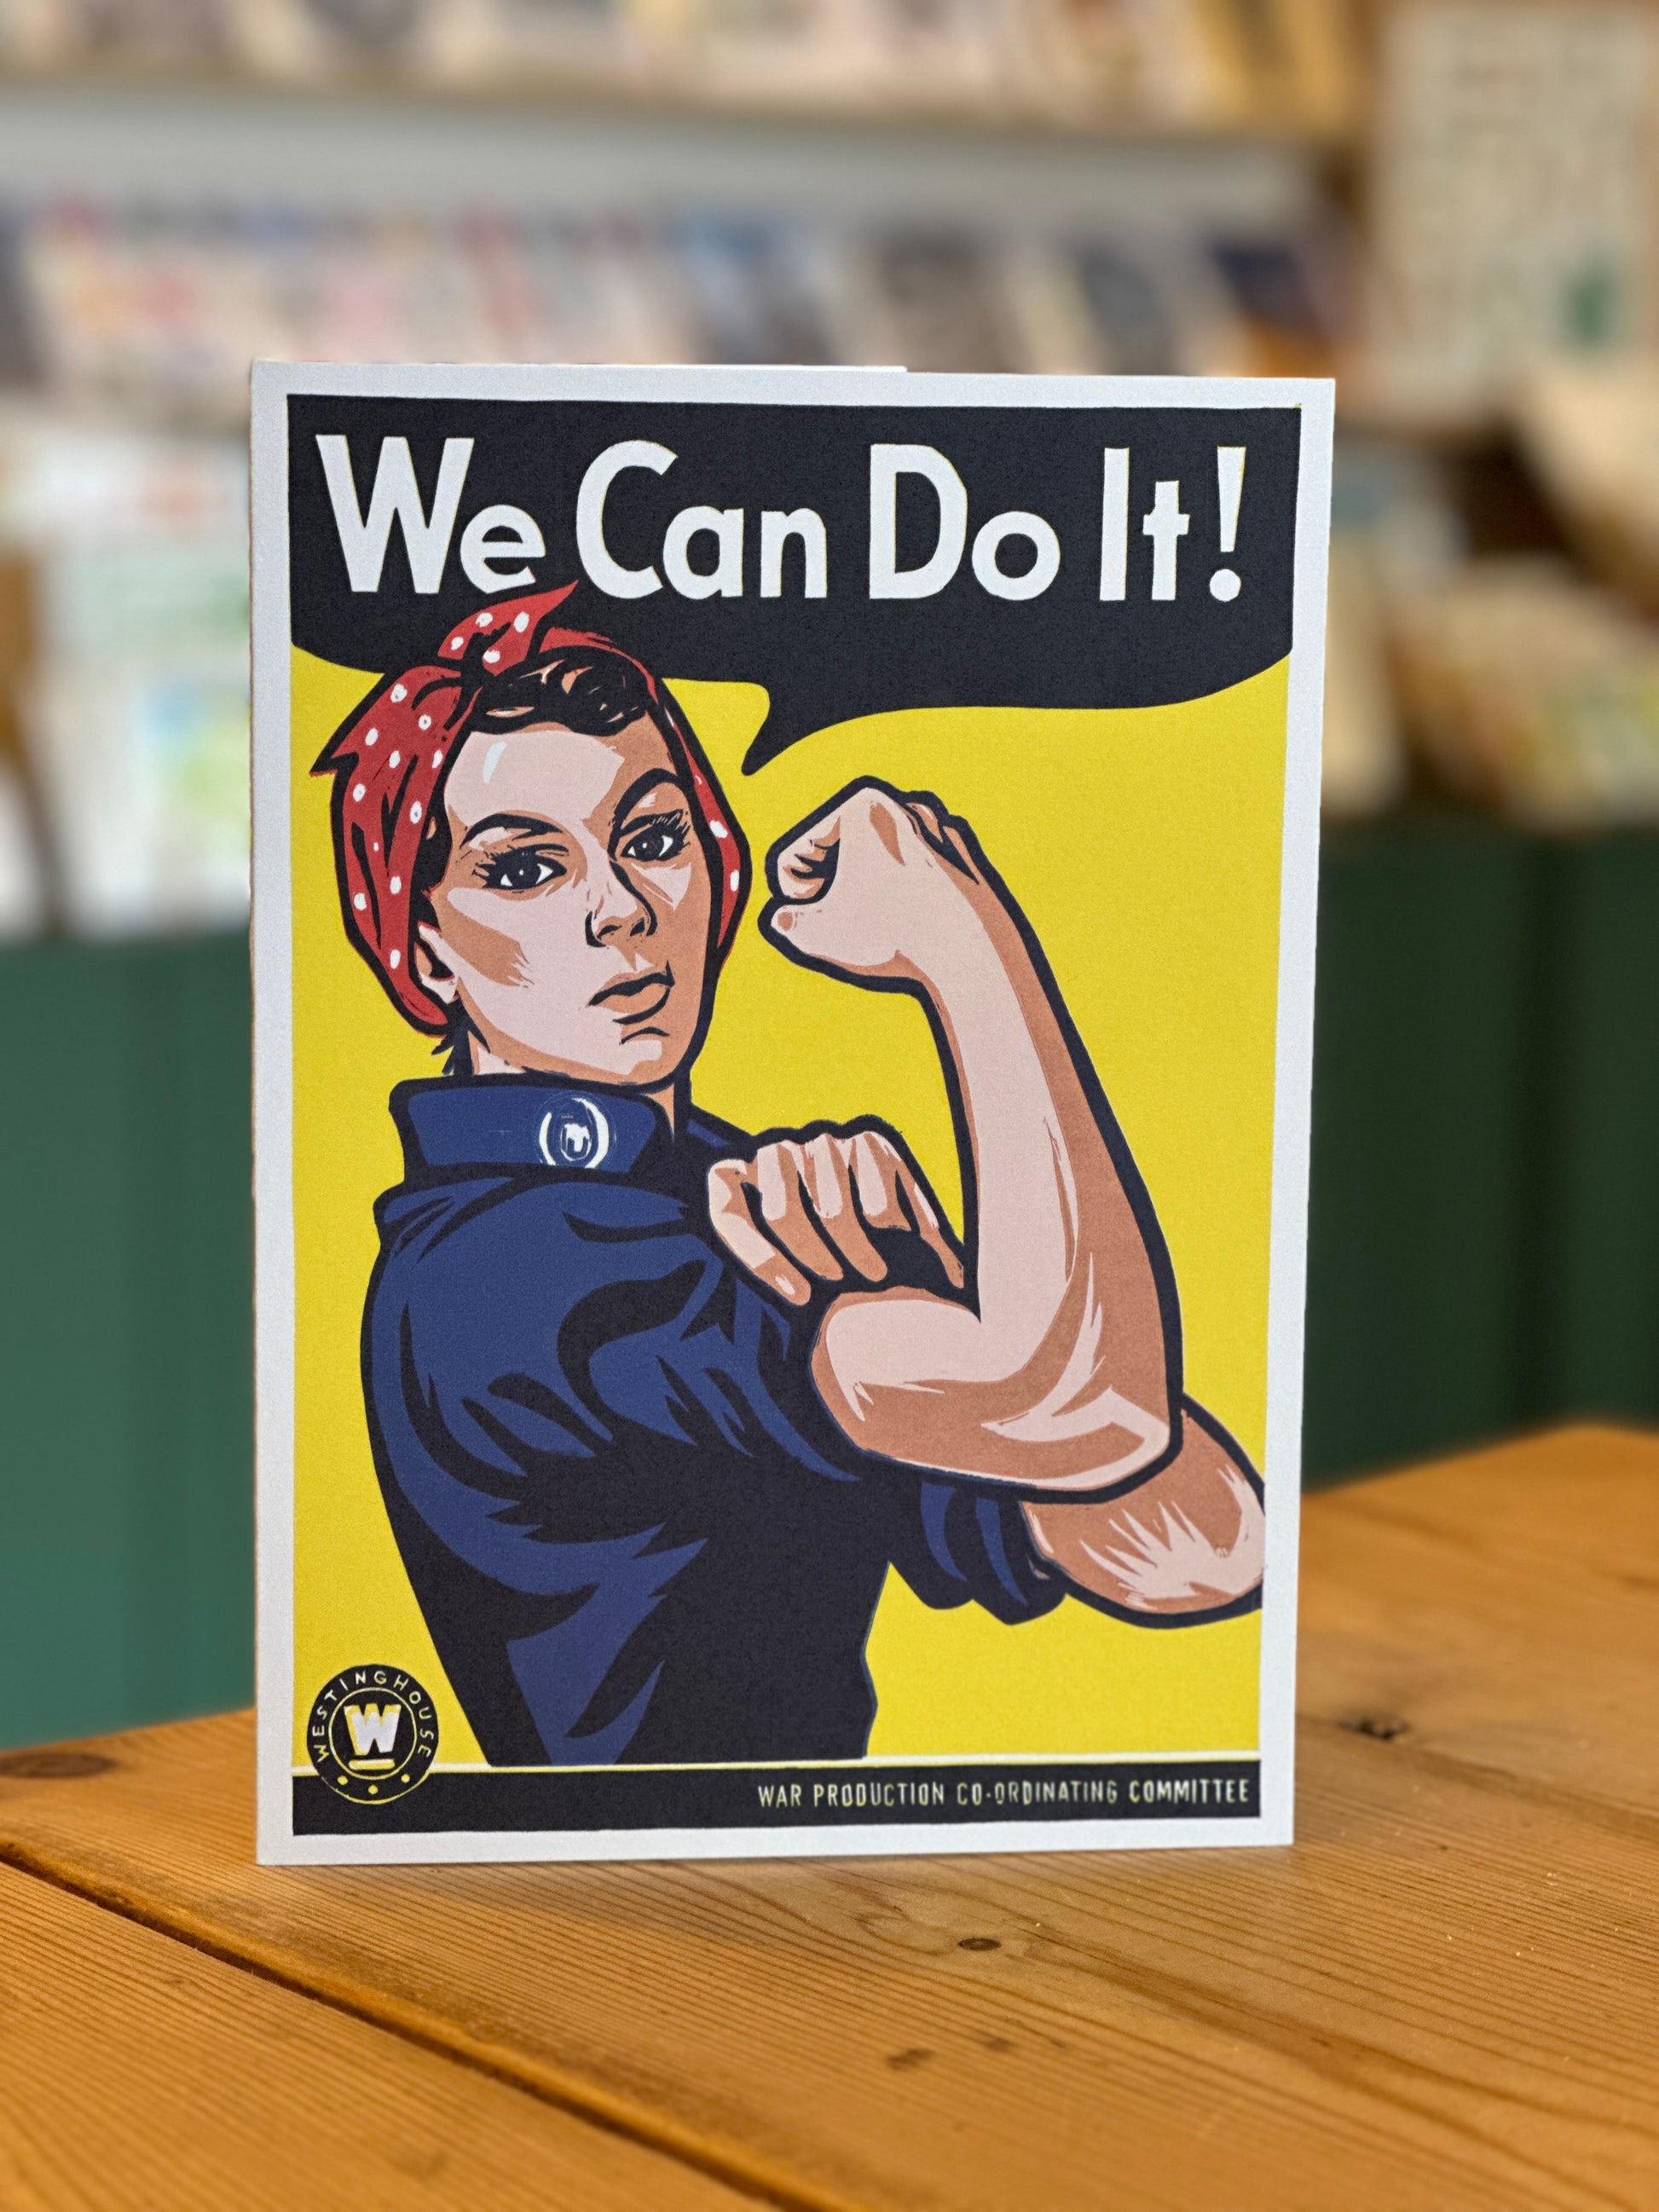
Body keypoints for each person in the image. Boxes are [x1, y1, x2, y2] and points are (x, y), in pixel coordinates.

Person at [318, 583, 1264, 1769]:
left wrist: (938, 1295)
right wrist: (970, 952)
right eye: (525, 871)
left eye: (652, 841)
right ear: (423, 950)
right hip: (636, 1876)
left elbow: (1197, 1549)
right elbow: (1088, 1410)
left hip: (836, 1861)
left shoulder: (708, 1191)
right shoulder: (513, 1264)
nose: (621, 910)